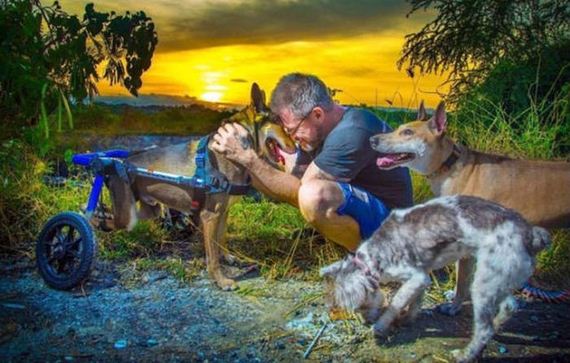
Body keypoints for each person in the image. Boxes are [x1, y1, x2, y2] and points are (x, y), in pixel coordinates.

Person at [211, 73, 413, 251]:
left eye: (291, 130)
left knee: (313, 196)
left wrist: (248, 158)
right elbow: (294, 179)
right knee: (264, 174)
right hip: (365, 207)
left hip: (393, 225)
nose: (292, 137)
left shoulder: (353, 131)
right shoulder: (316, 133)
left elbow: (301, 192)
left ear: (317, 114)